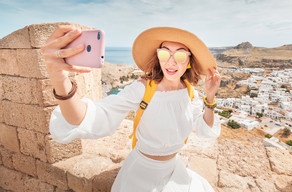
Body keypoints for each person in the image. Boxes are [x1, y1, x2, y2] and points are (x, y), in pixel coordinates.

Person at [41, 26, 222, 191]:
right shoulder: (143, 89)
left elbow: (205, 129)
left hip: (175, 170)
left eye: (180, 55)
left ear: (189, 60)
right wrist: (60, 81)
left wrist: (211, 96)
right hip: (141, 175)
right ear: (158, 57)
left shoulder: (190, 93)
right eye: (164, 54)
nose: (171, 62)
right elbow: (91, 117)